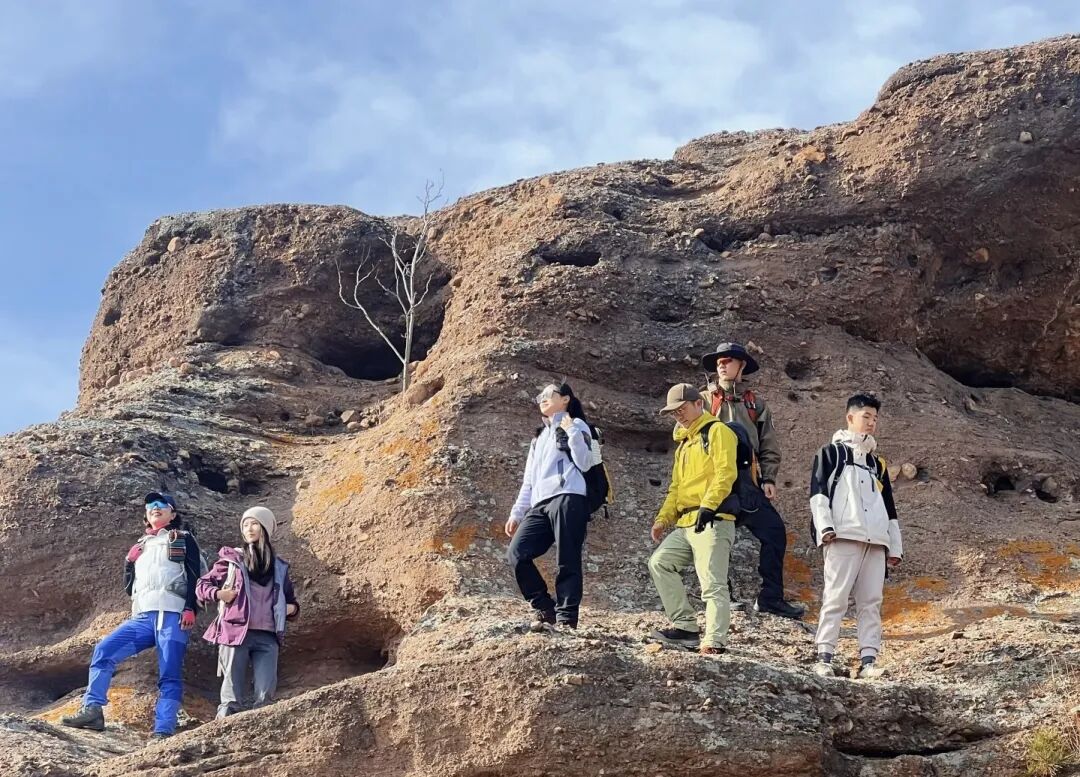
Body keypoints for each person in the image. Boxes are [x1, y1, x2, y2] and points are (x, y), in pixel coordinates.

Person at [62, 493, 199, 739]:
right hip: (144, 616)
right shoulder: (141, 545)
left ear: (173, 514)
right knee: (104, 650)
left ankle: (163, 730)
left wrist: (190, 608)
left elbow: (194, 574)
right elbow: (129, 588)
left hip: (172, 615)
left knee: (169, 672)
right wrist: (128, 562)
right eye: (151, 506)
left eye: (162, 505)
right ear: (146, 514)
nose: (155, 508)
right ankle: (92, 710)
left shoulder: (183, 538)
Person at [701, 341, 804, 619]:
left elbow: (768, 444)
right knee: (716, 539)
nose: (722, 365)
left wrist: (768, 478)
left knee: (774, 532)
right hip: (716, 482)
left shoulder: (755, 404)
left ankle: (771, 598)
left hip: (749, 482)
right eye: (719, 362)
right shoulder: (703, 401)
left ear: (742, 365)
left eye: (728, 360)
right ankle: (721, 596)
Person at [809, 394, 903, 679]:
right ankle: (824, 657)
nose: (871, 423)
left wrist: (894, 546)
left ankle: (868, 661)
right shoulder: (830, 453)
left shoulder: (877, 464)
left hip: (875, 541)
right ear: (850, 417)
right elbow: (818, 493)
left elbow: (889, 507)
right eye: (866, 417)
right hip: (843, 536)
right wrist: (825, 528)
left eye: (875, 418)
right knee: (835, 598)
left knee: (871, 602)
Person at [648, 383, 739, 655]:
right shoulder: (684, 444)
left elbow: (726, 472)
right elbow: (676, 488)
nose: (678, 415)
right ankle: (686, 628)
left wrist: (709, 506)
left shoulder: (718, 431)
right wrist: (663, 519)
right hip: (687, 522)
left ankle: (715, 641)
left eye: (682, 409)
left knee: (712, 583)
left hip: (713, 519)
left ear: (699, 404)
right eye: (674, 412)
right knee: (660, 563)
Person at [196, 506, 299, 718]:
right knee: (231, 697)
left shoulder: (279, 567)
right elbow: (202, 585)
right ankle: (223, 728)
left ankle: (261, 732)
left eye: (254, 524)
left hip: (269, 636)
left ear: (266, 528)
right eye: (245, 525)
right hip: (235, 633)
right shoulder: (232, 560)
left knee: (265, 696)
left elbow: (291, 601)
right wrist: (219, 594)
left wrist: (291, 609)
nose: (249, 529)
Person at [506, 382, 594, 629]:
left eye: (548, 394)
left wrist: (571, 430)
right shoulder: (539, 438)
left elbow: (585, 463)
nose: (542, 399)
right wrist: (516, 513)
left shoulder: (577, 425)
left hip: (569, 496)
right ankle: (544, 606)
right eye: (540, 396)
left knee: (567, 558)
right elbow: (529, 481)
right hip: (540, 504)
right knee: (516, 553)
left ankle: (566, 618)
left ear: (565, 399)